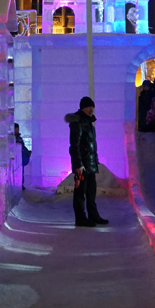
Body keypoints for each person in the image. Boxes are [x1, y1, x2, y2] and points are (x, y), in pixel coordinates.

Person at [65, 95, 109, 227]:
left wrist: (95, 161)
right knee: (80, 193)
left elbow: (90, 145)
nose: (91, 110)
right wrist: (78, 165)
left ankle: (93, 215)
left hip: (90, 163)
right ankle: (80, 218)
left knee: (91, 191)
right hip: (83, 165)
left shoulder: (88, 123)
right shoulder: (78, 123)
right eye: (89, 107)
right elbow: (75, 146)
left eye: (92, 107)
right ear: (82, 108)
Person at [14, 121, 31, 188]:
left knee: (21, 172)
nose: (18, 130)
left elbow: (23, 147)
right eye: (16, 129)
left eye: (18, 129)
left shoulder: (19, 138)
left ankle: (21, 184)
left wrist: (27, 153)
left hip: (20, 158)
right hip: (14, 158)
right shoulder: (11, 138)